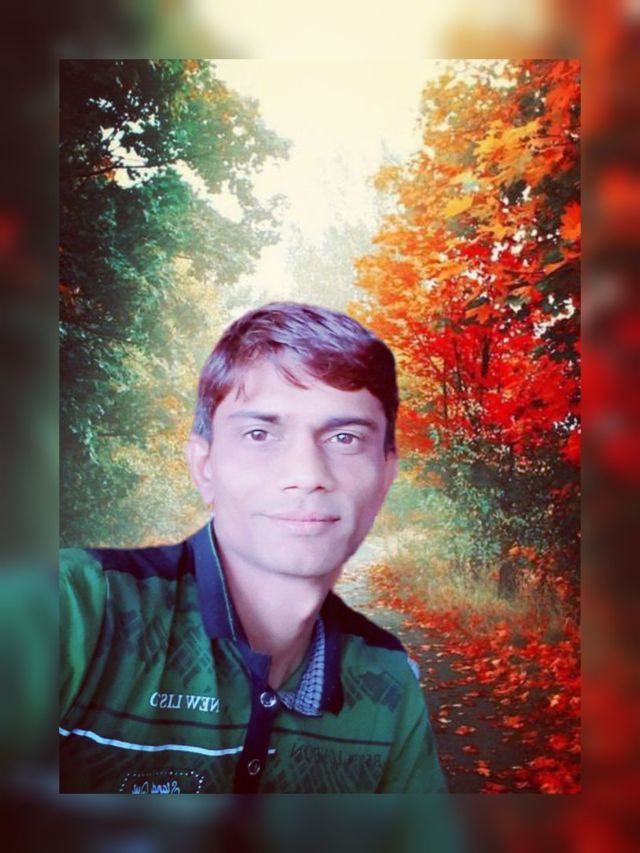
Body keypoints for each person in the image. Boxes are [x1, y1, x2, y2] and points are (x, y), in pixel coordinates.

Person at [60, 302, 446, 794]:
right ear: (204, 466)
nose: (306, 474)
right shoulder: (78, 608)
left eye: (345, 438)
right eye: (259, 433)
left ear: (387, 473)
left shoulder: (389, 682)